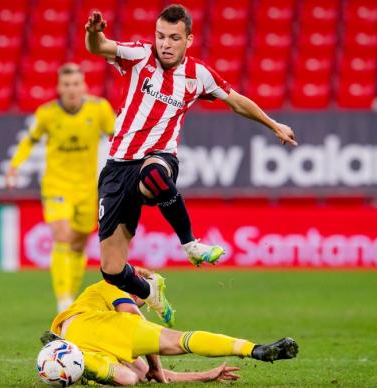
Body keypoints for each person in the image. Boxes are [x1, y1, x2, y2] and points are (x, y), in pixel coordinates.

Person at [84, 4, 297, 327]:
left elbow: (236, 100)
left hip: (159, 158)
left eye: (173, 38)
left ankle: (190, 244)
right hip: (117, 169)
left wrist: (273, 124)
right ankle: (151, 289)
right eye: (160, 36)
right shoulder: (139, 56)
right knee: (112, 269)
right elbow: (99, 47)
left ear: (189, 39)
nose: (165, 44)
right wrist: (93, 32)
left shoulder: (199, 74)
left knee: (154, 174)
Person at [40, 268, 298, 386]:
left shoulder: (116, 319)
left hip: (77, 341)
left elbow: (153, 377)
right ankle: (254, 349)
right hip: (89, 324)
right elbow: (135, 319)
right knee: (180, 340)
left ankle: (79, 364)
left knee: (131, 379)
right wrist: (155, 364)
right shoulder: (111, 285)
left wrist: (203, 376)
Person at [6, 63, 116, 312]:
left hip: (88, 187)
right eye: (66, 85)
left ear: (84, 86)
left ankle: (71, 294)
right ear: (59, 88)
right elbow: (28, 141)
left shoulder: (99, 109)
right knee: (62, 235)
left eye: (76, 84)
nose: (71, 89)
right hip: (57, 184)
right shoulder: (46, 114)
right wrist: (14, 166)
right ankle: (63, 300)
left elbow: (118, 136)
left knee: (78, 243)